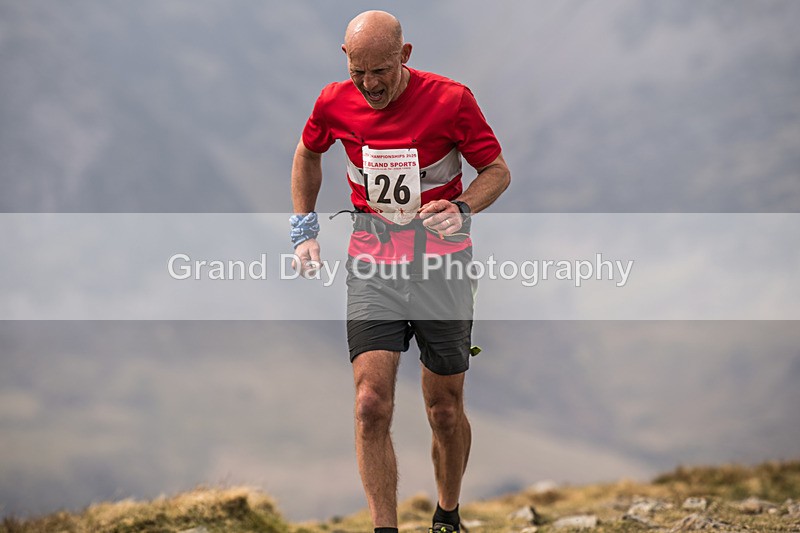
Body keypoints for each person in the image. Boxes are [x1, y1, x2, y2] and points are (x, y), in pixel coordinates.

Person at [290, 10, 510, 533]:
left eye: (381, 72)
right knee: (369, 404)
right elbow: (308, 152)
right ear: (346, 60)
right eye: (358, 72)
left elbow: (496, 171)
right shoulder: (332, 101)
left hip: (442, 266)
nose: (369, 86)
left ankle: (447, 515)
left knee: (444, 410)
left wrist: (463, 208)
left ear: (404, 56)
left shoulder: (451, 100)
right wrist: (304, 227)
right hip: (372, 262)